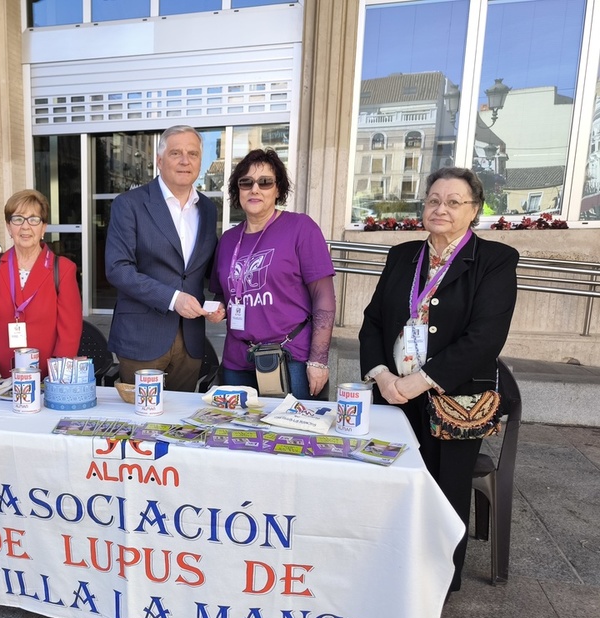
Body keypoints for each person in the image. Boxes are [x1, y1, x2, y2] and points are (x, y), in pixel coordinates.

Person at [359, 166, 519, 592]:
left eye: (453, 202)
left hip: (452, 397)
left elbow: (485, 338)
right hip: (392, 393)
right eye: (433, 200)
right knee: (389, 482)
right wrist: (382, 375)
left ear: (475, 210)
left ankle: (438, 580)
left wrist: (420, 381)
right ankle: (388, 566)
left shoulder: (495, 261)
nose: (440, 208)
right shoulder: (402, 255)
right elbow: (373, 321)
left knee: (444, 490)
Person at [208, 148, 335, 399]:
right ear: (238, 190)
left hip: (291, 358)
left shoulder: (301, 228)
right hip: (238, 361)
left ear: (278, 189)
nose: (255, 189)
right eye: (246, 182)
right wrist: (219, 308)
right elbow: (223, 293)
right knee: (238, 433)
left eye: (265, 182)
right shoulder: (228, 240)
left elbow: (324, 298)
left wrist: (318, 360)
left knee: (292, 435)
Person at [105, 125, 219, 391]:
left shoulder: (208, 209)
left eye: (192, 154)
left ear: (200, 162)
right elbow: (117, 268)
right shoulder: (129, 204)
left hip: (190, 339)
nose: (184, 161)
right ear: (159, 160)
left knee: (179, 423)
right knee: (137, 424)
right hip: (142, 336)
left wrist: (222, 300)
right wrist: (172, 298)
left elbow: (208, 267)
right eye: (175, 153)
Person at [0, 189, 82, 378]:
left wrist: (57, 374)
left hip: (46, 375)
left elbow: (70, 329)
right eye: (17, 219)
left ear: (43, 227)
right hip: (0, 372)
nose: (25, 227)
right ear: (8, 227)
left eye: (33, 219)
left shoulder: (62, 269)